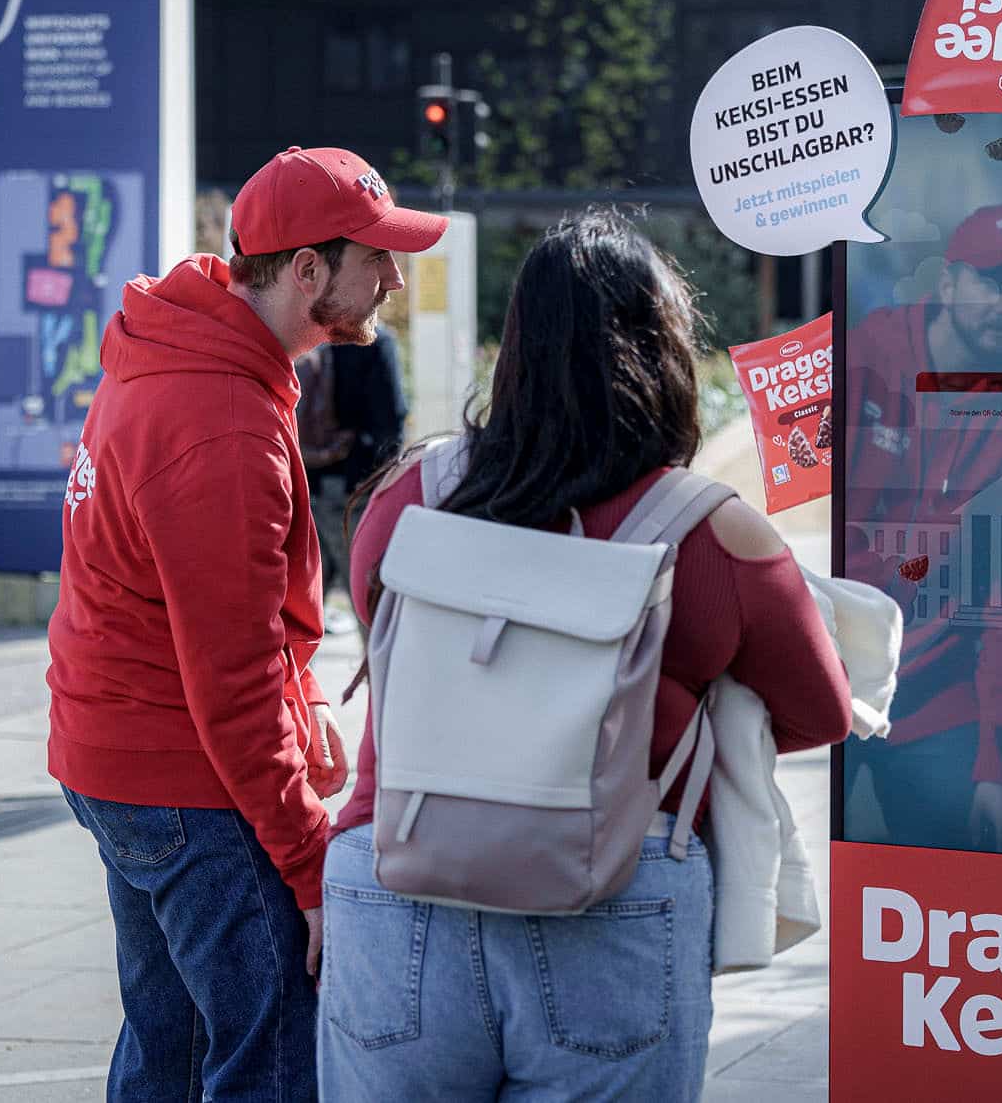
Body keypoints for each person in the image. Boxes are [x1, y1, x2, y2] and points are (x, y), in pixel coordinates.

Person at [318, 209, 850, 1101]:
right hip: (612, 890)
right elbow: (820, 709)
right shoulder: (710, 530)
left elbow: (385, 638)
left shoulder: (409, 495)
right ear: (665, 349)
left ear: (517, 348)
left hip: (395, 876)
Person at [46, 146, 445, 1102]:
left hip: (116, 755)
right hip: (186, 782)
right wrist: (309, 865)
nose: (394, 279)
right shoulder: (221, 420)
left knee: (171, 1051)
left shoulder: (182, 344)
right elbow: (230, 683)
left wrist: (306, 704)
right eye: (375, 258)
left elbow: (226, 621)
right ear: (306, 269)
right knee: (268, 1062)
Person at [842, 206, 1002, 853]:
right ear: (947, 284)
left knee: (961, 877)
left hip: (930, 698)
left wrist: (1000, 765)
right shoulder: (862, 358)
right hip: (822, 670)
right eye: (993, 283)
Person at [296, 325, 407, 634]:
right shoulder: (376, 342)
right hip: (355, 490)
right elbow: (391, 419)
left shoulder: (308, 332)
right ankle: (377, 666)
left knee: (299, 612)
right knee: (371, 611)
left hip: (303, 483)